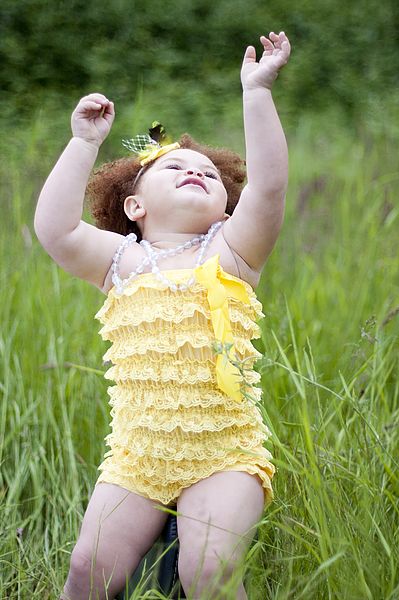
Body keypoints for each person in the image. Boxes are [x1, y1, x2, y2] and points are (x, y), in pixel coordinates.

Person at [34, 31, 290, 600]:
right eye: (175, 166)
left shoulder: (230, 252)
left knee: (208, 572)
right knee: (88, 570)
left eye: (209, 172)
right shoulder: (121, 259)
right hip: (137, 455)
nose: (196, 171)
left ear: (227, 204)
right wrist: (82, 143)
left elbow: (269, 187)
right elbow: (54, 230)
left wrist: (257, 93)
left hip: (224, 454)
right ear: (134, 204)